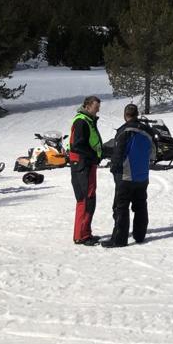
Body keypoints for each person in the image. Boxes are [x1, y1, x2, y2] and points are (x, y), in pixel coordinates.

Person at [103, 103, 155, 248]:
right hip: (143, 175)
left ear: (125, 115)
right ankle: (139, 235)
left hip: (126, 174)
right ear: (137, 114)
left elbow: (118, 153)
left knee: (121, 206)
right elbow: (152, 151)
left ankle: (119, 239)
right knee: (140, 205)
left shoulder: (124, 130)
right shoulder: (148, 131)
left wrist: (114, 168)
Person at [70, 96, 103, 245]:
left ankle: (86, 233)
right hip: (83, 166)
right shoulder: (81, 121)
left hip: (87, 164)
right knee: (85, 200)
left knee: (89, 199)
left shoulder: (88, 120)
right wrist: (94, 156)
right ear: (88, 106)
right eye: (96, 107)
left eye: (98, 107)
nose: (98, 110)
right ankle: (81, 235)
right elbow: (77, 145)